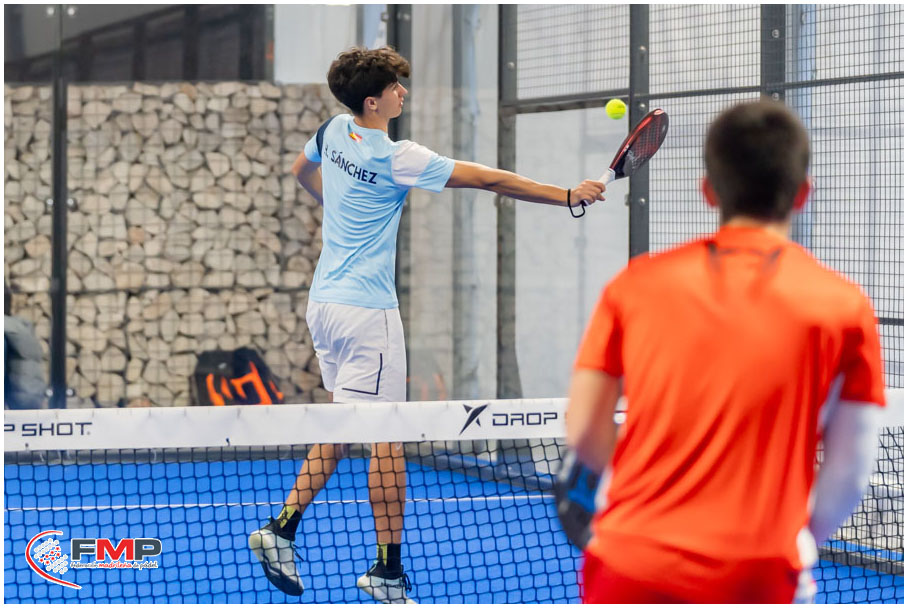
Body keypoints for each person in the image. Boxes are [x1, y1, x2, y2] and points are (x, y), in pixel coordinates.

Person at [249, 46, 606, 603]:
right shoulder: (399, 158)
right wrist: (566, 196)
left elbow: (303, 172)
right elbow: (490, 180)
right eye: (395, 87)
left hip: (325, 306)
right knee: (387, 439)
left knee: (345, 424)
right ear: (373, 102)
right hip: (368, 316)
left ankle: (282, 529)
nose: (404, 93)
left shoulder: (334, 131)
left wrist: (342, 214)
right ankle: (385, 572)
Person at [565, 100, 885, 603]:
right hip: (758, 576)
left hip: (629, 567)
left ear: (708, 191)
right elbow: (849, 472)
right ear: (804, 193)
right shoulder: (846, 306)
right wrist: (791, 541)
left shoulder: (634, 286)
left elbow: (584, 429)